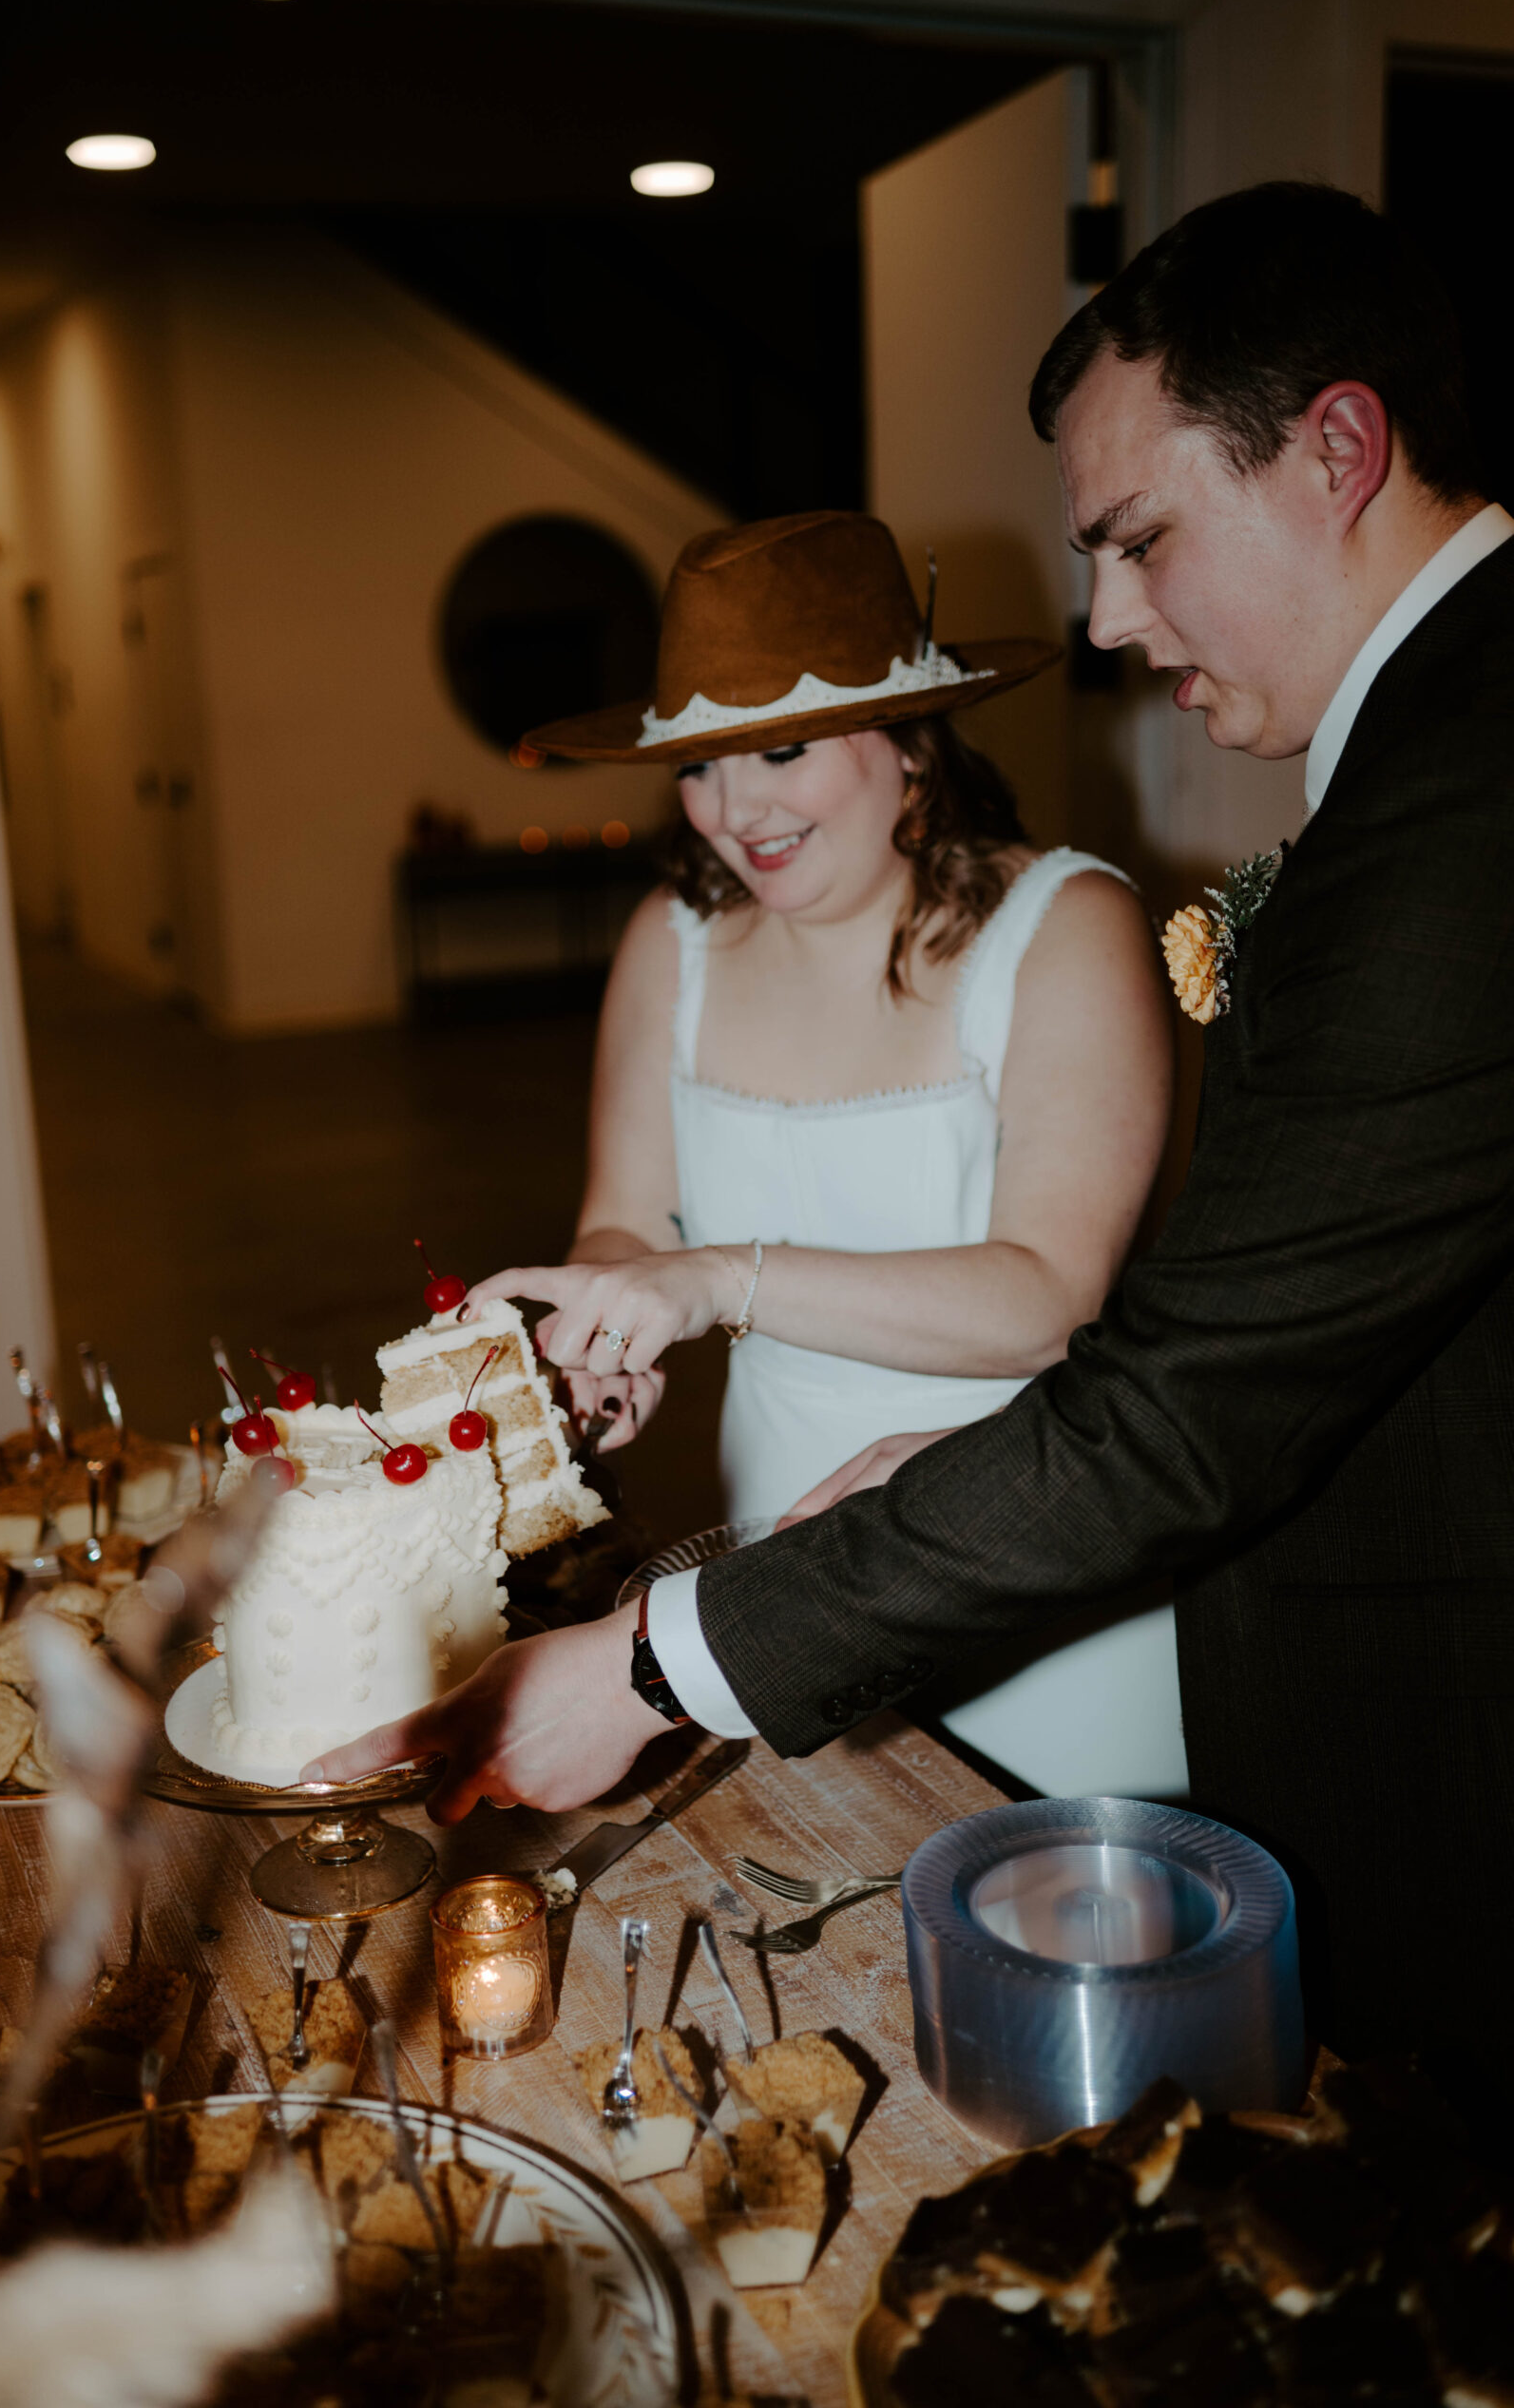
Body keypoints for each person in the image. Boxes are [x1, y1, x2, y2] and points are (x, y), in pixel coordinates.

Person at [306, 183, 1514, 2107]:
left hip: (1210, 1640)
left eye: (1137, 539)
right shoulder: (1428, 762)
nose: (1110, 619)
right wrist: (617, 1334)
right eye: (702, 758)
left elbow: (1172, 1386)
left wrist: (645, 1650)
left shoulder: (1433, 819)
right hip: (865, 1544)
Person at [462, 508, 1178, 1792]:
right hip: (774, 1592)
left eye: (779, 749)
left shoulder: (1068, 927)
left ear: (910, 737)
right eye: (695, 763)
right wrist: (600, 1337)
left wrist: (712, 1281)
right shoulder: (668, 942)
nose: (732, 811)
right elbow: (624, 1221)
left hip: (1037, 1581)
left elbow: (1046, 1302)